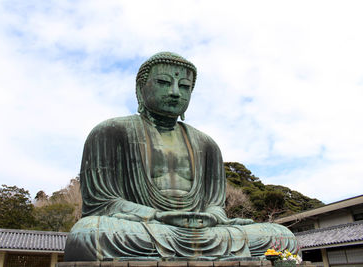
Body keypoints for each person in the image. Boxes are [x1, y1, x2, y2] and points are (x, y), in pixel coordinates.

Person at [64, 52, 297, 261]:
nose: (175, 92)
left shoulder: (207, 144)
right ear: (139, 89)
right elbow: (104, 203)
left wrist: (212, 217)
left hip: (205, 232)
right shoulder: (111, 132)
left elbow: (215, 205)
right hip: (146, 228)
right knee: (88, 233)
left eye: (184, 86)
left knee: (282, 237)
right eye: (164, 83)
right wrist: (157, 215)